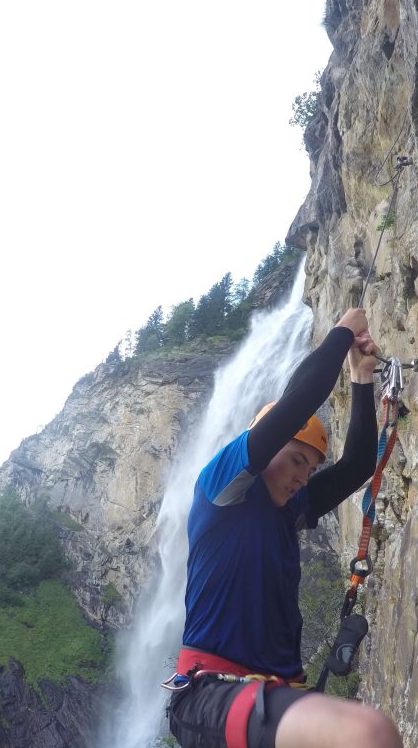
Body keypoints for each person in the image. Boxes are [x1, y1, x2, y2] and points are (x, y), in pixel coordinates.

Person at [167, 308, 403, 748]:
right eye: (296, 460)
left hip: (278, 691)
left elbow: (356, 467)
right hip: (211, 690)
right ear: (265, 445)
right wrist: (341, 334)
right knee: (366, 733)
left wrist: (361, 375)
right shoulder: (222, 489)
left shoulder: (289, 508)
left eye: (310, 469)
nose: (302, 477)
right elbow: (297, 402)